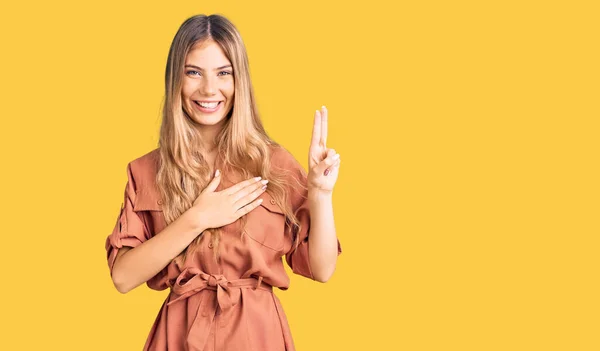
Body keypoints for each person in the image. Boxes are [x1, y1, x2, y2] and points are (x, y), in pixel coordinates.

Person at [104, 14, 342, 351]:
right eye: (194, 72)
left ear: (239, 80)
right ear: (176, 79)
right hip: (179, 336)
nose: (208, 89)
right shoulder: (145, 170)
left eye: (223, 73)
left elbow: (322, 269)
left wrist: (320, 193)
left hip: (258, 336)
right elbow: (123, 277)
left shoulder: (273, 163)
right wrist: (197, 218)